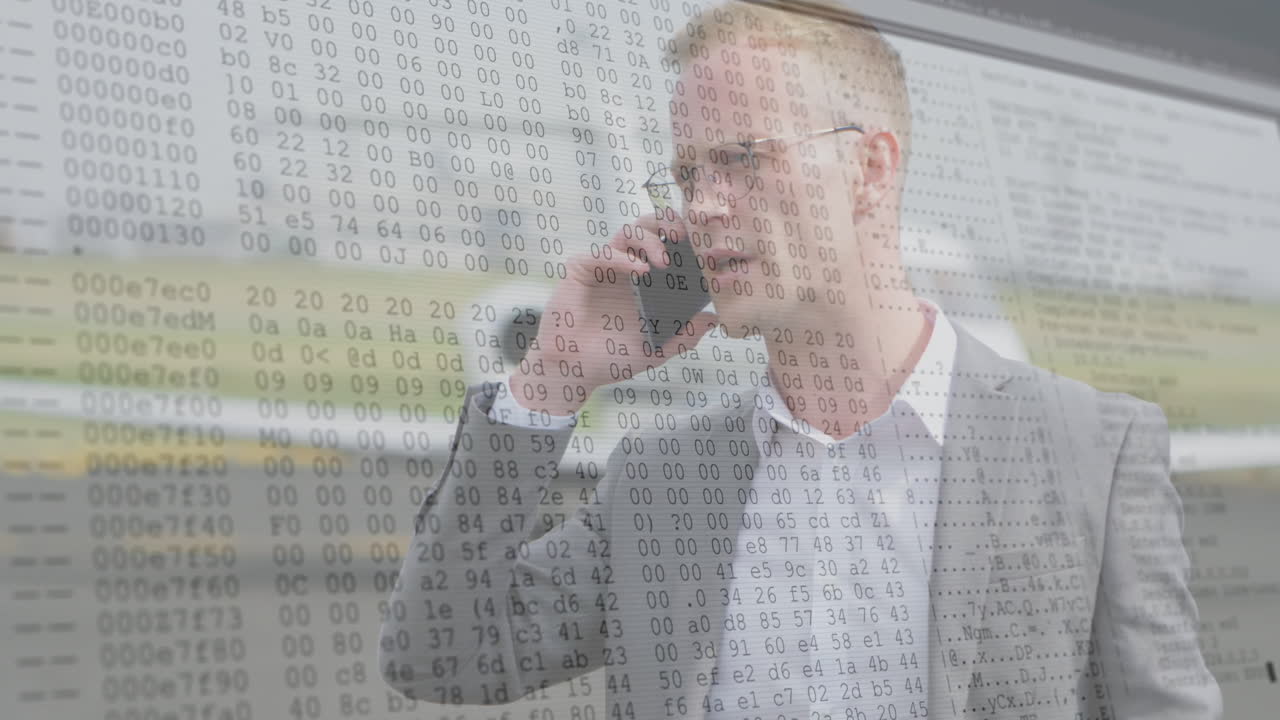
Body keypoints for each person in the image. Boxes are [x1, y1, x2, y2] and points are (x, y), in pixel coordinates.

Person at [380, 2, 1222, 719]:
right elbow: (440, 656)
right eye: (687, 173)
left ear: (869, 168)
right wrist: (549, 381)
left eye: (744, 158)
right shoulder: (661, 482)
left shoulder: (1090, 450)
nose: (705, 205)